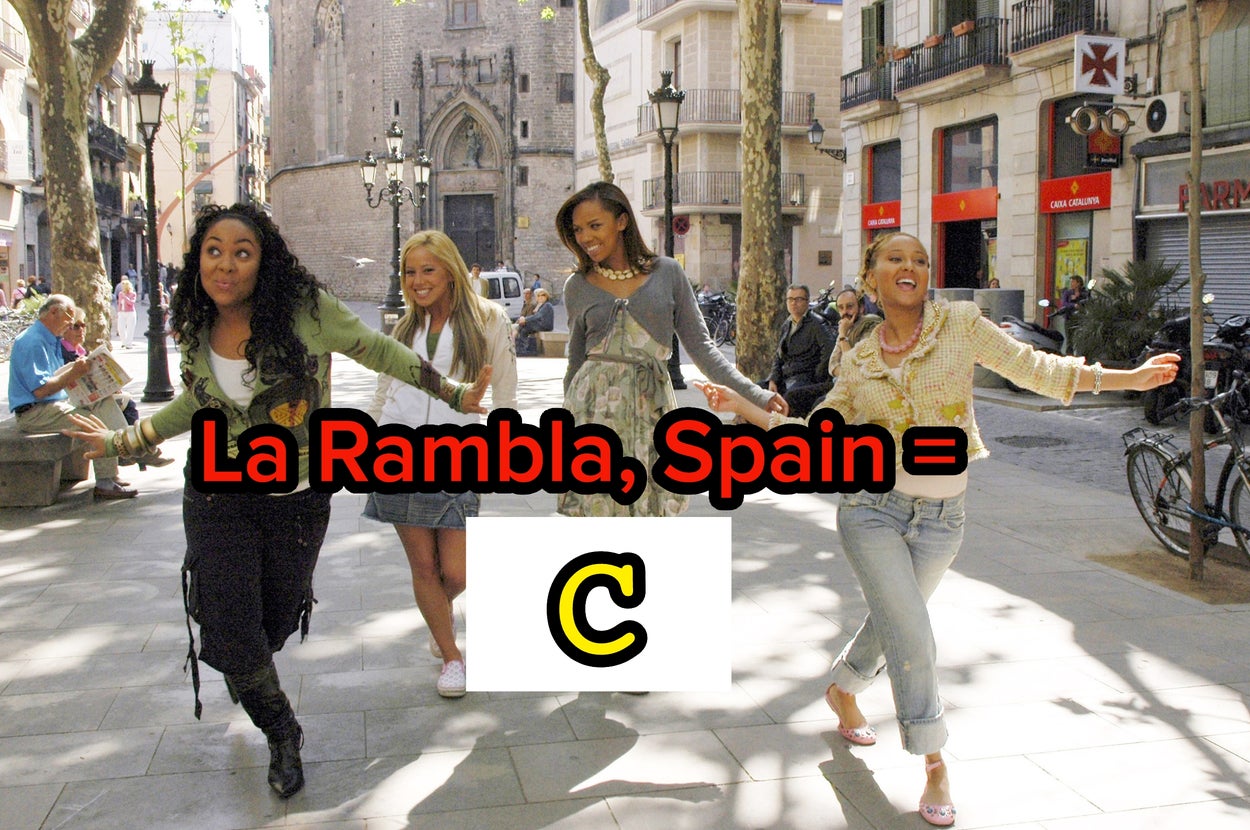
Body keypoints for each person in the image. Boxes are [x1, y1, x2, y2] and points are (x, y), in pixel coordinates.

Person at [693, 231, 1179, 827]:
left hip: (944, 519)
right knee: (912, 630)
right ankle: (933, 760)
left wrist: (1129, 380)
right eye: (895, 258)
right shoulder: (858, 360)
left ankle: (844, 688)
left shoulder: (961, 324)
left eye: (920, 259)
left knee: (894, 620)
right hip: (870, 508)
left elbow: (1035, 368)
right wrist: (745, 412)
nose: (911, 267)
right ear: (870, 277)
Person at [65, 203, 492, 800]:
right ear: (199, 260)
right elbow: (195, 404)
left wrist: (453, 393)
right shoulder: (196, 324)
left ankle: (249, 667)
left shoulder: (307, 312)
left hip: (297, 494)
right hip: (217, 489)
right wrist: (122, 439)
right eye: (214, 249)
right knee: (230, 617)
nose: (227, 263)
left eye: (243, 251)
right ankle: (281, 729)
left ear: (264, 261)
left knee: (274, 619)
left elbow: (379, 350)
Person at [554, 181, 786, 517]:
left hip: (651, 407)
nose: (585, 237)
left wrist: (757, 396)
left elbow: (703, 349)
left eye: (594, 225)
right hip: (591, 411)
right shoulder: (577, 285)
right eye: (577, 229)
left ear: (621, 222)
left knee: (651, 513)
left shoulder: (667, 272)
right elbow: (575, 364)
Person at [364, 230, 517, 699]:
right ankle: (452, 656)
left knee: (458, 572)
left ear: (450, 269)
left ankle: (437, 617)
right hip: (398, 452)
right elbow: (385, 390)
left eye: (427, 270)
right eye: (410, 272)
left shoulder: (490, 320)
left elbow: (506, 393)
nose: (417, 280)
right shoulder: (405, 328)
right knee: (424, 568)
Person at [10, 295, 171, 500]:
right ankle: (117, 469)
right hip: (35, 412)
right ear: (53, 313)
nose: (70, 325)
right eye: (69, 319)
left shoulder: (49, 338)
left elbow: (56, 378)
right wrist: (73, 374)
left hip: (52, 404)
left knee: (106, 400)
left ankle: (125, 458)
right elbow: (40, 390)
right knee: (96, 420)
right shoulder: (32, 341)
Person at [761, 284, 836, 419]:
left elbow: (829, 351)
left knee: (791, 397)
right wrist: (773, 379)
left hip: (805, 378)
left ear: (807, 301)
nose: (793, 303)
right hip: (785, 377)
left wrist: (816, 376)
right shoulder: (787, 325)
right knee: (756, 391)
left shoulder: (817, 324)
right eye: (790, 299)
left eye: (798, 299)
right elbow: (778, 356)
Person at [828, 287, 883, 378]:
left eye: (849, 306)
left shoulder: (871, 325)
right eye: (841, 308)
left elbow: (856, 365)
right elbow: (832, 365)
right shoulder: (846, 327)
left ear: (861, 308)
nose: (845, 312)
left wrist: (842, 337)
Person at [514, 287, 554, 356]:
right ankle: (522, 347)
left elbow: (537, 316)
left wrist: (525, 319)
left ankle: (523, 348)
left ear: (546, 296)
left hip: (545, 325)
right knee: (523, 328)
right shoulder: (543, 305)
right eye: (538, 296)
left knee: (524, 327)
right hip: (541, 324)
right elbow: (535, 313)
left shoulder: (547, 305)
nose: (540, 297)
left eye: (543, 295)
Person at [115, 277, 138, 348]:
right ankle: (124, 342)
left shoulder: (133, 294)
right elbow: (119, 303)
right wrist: (118, 312)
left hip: (130, 312)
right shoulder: (120, 294)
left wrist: (125, 297)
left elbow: (131, 303)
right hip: (122, 312)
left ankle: (129, 343)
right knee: (120, 328)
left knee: (130, 328)